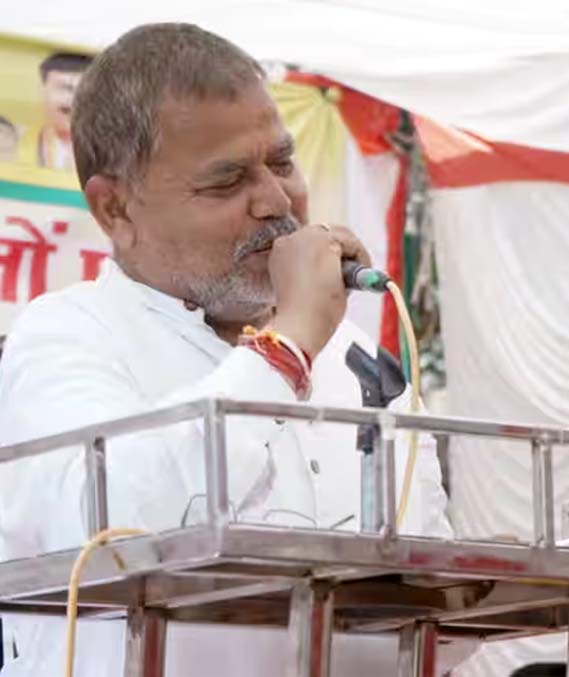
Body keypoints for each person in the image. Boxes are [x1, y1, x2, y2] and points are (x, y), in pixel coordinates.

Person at [0, 23, 457, 677]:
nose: (276, 200)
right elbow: (110, 535)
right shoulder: (66, 336)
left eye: (282, 162)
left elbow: (434, 597)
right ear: (115, 209)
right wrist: (286, 348)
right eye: (226, 182)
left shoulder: (356, 359)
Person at [36, 52, 92, 171]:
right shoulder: (11, 143)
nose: (76, 100)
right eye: (67, 89)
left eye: (86, 91)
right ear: (43, 90)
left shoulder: (115, 153)